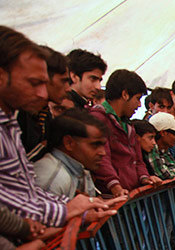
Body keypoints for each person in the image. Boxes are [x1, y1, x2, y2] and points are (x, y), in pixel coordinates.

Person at [0, 26, 119, 229]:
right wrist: (64, 212)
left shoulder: (10, 121)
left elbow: (26, 191)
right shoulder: (51, 170)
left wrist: (77, 206)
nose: (42, 94)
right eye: (34, 83)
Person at [89, 69, 161, 195]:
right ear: (125, 94)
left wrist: (144, 177)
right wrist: (115, 186)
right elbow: (102, 158)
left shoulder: (128, 125)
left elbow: (137, 158)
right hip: (114, 198)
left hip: (130, 195)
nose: (139, 105)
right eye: (137, 99)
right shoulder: (98, 119)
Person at [34, 108, 107, 198]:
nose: (103, 153)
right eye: (95, 145)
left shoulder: (82, 170)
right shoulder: (55, 178)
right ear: (69, 143)